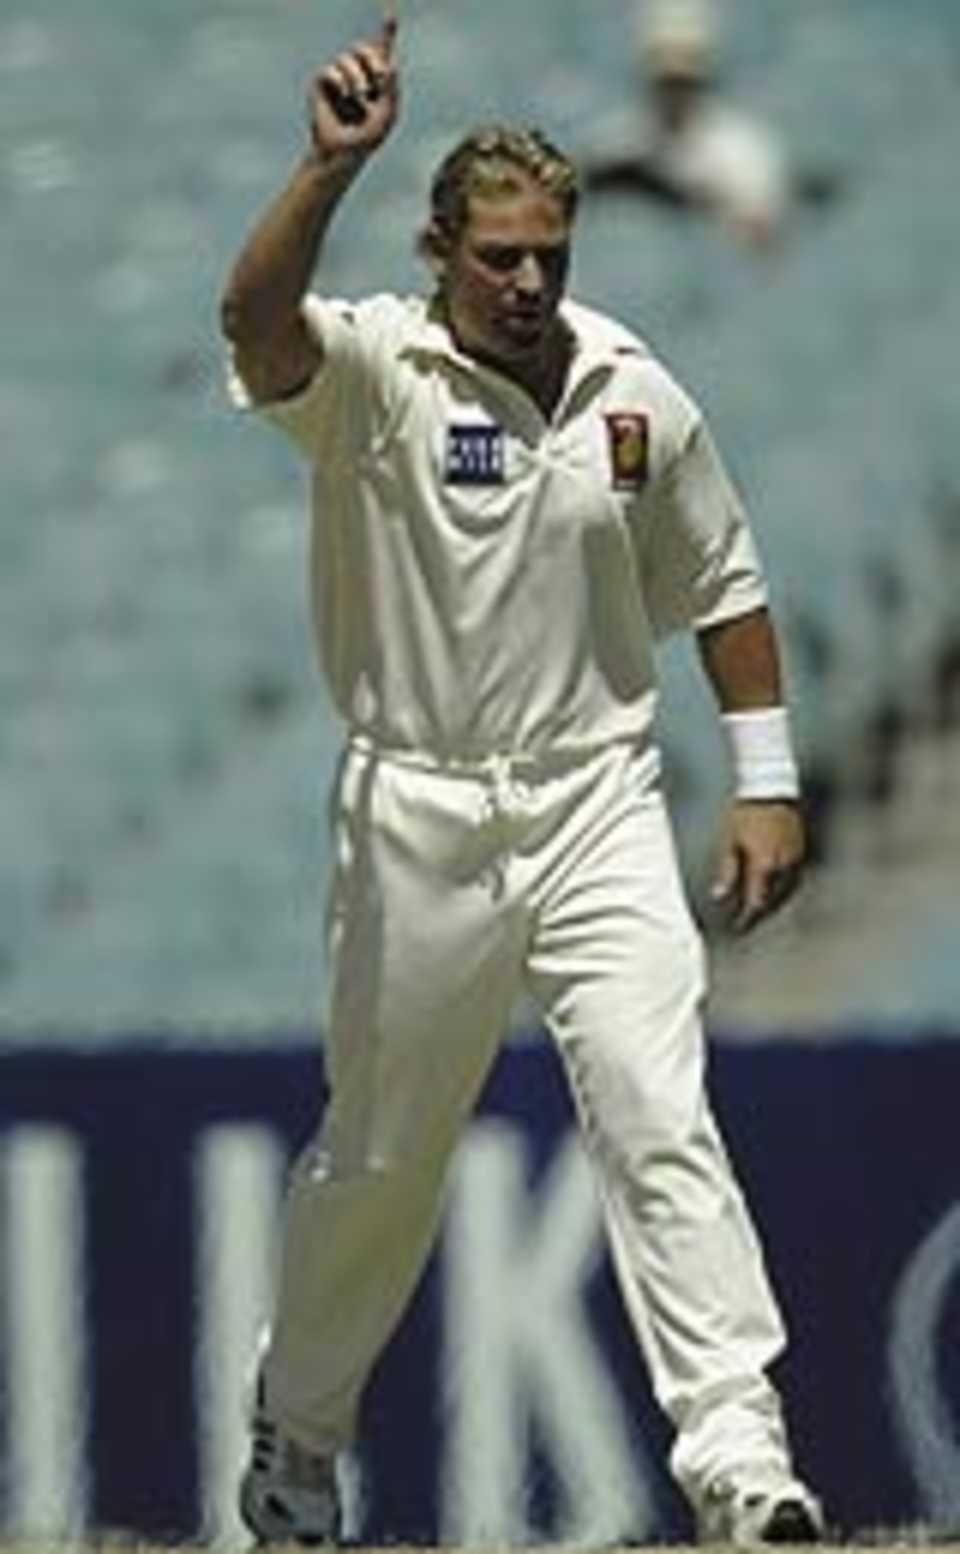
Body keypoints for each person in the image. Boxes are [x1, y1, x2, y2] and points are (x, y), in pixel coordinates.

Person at [220, 13, 825, 1546]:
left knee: (654, 1103)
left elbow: (729, 584)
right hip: (416, 807)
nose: (532, 282)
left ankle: (741, 1463)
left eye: (550, 252)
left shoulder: (630, 388)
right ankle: (295, 1441)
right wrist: (322, 167)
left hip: (598, 796)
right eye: (499, 255)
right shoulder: (376, 369)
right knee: (383, 1151)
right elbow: (250, 325)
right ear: (440, 249)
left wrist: (766, 783)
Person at [583, 0, 791, 252]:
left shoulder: (745, 150)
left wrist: (703, 200)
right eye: (667, 81)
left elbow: (764, 240)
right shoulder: (615, 143)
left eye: (685, 81)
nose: (675, 93)